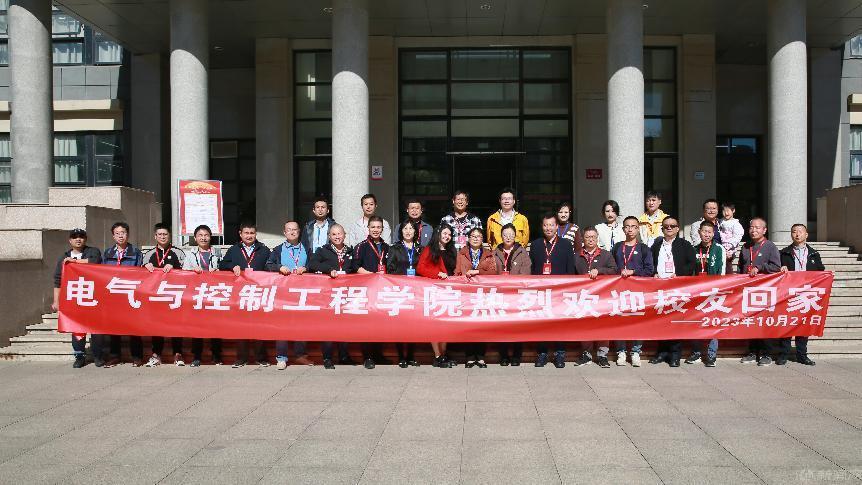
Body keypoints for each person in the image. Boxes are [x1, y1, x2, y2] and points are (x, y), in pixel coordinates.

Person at [219, 222, 272, 368]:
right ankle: (241, 358)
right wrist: (232, 266)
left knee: (260, 327)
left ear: (256, 234)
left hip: (258, 293)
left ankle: (261, 357)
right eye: (246, 233)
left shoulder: (264, 250)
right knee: (241, 327)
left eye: (252, 233)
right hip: (240, 294)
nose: (249, 236)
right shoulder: (234, 249)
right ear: (240, 234)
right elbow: (222, 265)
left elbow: (270, 267)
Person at [529, 213, 575, 369]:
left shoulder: (566, 244)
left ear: (556, 227)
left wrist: (569, 289)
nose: (548, 228)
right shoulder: (535, 245)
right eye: (545, 225)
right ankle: (542, 353)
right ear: (542, 227)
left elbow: (570, 269)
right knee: (541, 323)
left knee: (560, 323)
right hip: (541, 292)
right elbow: (532, 269)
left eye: (551, 225)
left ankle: (560, 353)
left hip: (560, 292)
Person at [648, 216, 695, 367]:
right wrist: (654, 273)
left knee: (675, 321)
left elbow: (691, 263)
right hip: (660, 289)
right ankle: (662, 353)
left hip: (677, 288)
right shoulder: (656, 245)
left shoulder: (685, 244)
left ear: (677, 228)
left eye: (672, 226)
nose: (669, 228)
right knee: (661, 321)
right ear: (662, 228)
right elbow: (650, 263)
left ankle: (675, 355)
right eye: (666, 226)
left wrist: (679, 274)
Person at [308, 223, 356, 369]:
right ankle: (327, 357)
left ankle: (344, 356)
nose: (337, 237)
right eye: (333, 234)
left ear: (344, 235)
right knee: (328, 326)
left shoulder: (351, 251)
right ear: (329, 236)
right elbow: (312, 264)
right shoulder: (322, 251)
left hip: (346, 294)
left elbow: (355, 267)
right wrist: (329, 270)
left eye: (339, 234)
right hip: (329, 295)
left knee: (345, 326)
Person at [52, 228, 103, 368]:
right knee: (77, 329)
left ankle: (98, 356)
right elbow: (58, 280)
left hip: (93, 297)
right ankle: (79, 357)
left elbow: (95, 262)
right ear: (70, 240)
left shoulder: (93, 251)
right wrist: (56, 301)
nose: (78, 239)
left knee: (96, 329)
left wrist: (74, 262)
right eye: (75, 237)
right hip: (74, 299)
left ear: (85, 239)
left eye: (81, 236)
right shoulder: (63, 257)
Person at [266, 221, 314, 369]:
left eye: (295, 230)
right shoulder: (278, 249)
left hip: (302, 293)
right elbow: (268, 264)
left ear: (299, 232)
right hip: (283, 293)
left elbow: (314, 264)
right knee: (282, 324)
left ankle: (300, 355)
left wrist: (306, 268)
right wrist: (279, 267)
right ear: (284, 232)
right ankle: (281, 357)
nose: (292, 232)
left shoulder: (307, 248)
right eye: (289, 230)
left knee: (301, 325)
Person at [737, 217, 782, 366]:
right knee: (750, 322)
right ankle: (752, 352)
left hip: (765, 291)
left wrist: (760, 267)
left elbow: (776, 267)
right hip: (748, 291)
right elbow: (740, 267)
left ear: (764, 230)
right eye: (751, 227)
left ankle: (766, 354)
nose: (753, 230)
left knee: (764, 322)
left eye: (757, 228)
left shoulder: (770, 246)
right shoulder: (746, 246)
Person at [779, 223, 825, 366]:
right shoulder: (783, 253)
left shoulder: (814, 254)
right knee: (787, 324)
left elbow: (821, 272)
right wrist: (780, 268)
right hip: (788, 294)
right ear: (791, 234)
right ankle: (783, 354)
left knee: (804, 325)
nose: (797, 234)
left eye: (800, 231)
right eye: (794, 231)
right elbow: (775, 271)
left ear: (806, 235)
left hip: (807, 294)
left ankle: (802, 355)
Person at [141, 223, 187, 367]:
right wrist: (144, 266)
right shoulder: (148, 254)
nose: (162, 237)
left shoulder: (178, 252)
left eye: (165, 234)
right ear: (155, 236)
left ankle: (178, 354)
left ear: (169, 236)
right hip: (155, 296)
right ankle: (156, 355)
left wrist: (175, 267)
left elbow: (186, 272)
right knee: (156, 326)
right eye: (160, 234)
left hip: (174, 295)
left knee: (176, 325)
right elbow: (140, 274)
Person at [612, 216, 655, 367]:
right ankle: (621, 351)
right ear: (623, 229)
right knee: (620, 321)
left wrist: (633, 272)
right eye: (627, 226)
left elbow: (649, 270)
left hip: (638, 292)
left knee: (638, 321)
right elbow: (612, 267)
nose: (630, 229)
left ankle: (636, 351)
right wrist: (619, 272)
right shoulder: (617, 247)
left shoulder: (644, 248)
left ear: (638, 229)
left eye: (633, 226)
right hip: (619, 291)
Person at [573, 226, 618, 368]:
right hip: (583, 297)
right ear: (583, 239)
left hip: (602, 297)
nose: (590, 239)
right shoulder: (576, 255)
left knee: (603, 325)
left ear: (597, 238)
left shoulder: (606, 254)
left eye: (593, 237)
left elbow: (614, 270)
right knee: (585, 326)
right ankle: (586, 354)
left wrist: (599, 270)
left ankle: (602, 355)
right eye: (587, 237)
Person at [351, 216, 391, 369]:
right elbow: (355, 267)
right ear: (368, 228)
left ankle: (379, 354)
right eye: (373, 227)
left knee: (381, 324)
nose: (375, 230)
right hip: (366, 290)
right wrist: (372, 275)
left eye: (378, 227)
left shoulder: (387, 247)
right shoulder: (361, 246)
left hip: (382, 291)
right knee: (367, 324)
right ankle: (367, 357)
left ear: (382, 229)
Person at [182, 224, 224, 367]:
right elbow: (183, 273)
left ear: (210, 237)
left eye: (206, 235)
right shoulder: (190, 254)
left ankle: (216, 355)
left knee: (215, 326)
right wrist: (192, 271)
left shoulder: (217, 253)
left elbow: (225, 269)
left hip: (214, 293)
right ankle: (197, 356)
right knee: (197, 326)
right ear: (195, 238)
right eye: (200, 235)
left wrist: (218, 271)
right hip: (197, 294)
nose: (203, 238)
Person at [455, 227, 497, 368]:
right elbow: (457, 271)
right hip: (466, 294)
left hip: (482, 294)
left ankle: (481, 356)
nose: (475, 238)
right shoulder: (461, 253)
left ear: (482, 239)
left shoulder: (488, 254)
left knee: (482, 325)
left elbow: (493, 272)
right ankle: (470, 357)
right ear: (468, 238)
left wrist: (477, 272)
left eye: (478, 236)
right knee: (468, 325)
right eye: (473, 236)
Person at [684, 221, 725, 367]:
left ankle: (711, 354)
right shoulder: (694, 249)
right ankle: (696, 352)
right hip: (697, 292)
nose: (706, 234)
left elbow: (722, 271)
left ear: (713, 234)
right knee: (696, 322)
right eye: (704, 231)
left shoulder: (719, 249)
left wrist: (719, 289)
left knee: (712, 323)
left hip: (714, 292)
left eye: (709, 232)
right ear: (699, 232)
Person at [102, 222, 143, 365]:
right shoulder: (107, 253)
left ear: (128, 234)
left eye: (123, 233)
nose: (121, 236)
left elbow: (140, 273)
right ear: (113, 236)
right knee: (114, 326)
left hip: (130, 293)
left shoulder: (136, 252)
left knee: (134, 326)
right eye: (117, 233)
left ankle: (137, 356)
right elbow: (101, 272)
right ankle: (115, 355)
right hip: (114, 294)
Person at [417, 224, 458, 367]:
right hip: (434, 290)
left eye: (449, 234)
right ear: (438, 233)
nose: (447, 236)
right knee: (435, 324)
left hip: (449, 291)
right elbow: (420, 268)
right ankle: (437, 356)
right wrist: (437, 274)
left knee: (447, 325)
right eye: (445, 233)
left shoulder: (452, 250)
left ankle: (443, 354)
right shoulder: (429, 249)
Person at [493, 223, 531, 366]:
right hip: (500, 295)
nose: (508, 237)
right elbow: (491, 272)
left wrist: (512, 284)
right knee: (501, 326)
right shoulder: (495, 252)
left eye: (511, 235)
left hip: (517, 295)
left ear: (515, 236)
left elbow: (526, 272)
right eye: (505, 235)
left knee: (517, 326)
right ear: (501, 236)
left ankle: (516, 355)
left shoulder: (522, 252)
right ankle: (503, 355)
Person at [386, 221, 423, 368]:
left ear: (415, 232)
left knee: (414, 325)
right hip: (400, 290)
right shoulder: (394, 248)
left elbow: (424, 267)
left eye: (411, 228)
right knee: (400, 324)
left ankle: (411, 356)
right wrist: (403, 278)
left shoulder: (420, 249)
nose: (408, 231)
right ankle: (401, 356)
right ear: (401, 231)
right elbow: (390, 268)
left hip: (416, 291)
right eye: (405, 228)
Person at [718, 203, 745, 275]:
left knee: (727, 264)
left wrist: (729, 246)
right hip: (721, 246)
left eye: (728, 211)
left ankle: (729, 277)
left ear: (733, 211)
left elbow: (737, 237)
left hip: (730, 249)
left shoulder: (735, 224)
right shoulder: (720, 221)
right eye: (724, 211)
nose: (726, 213)